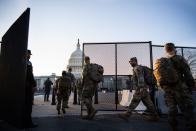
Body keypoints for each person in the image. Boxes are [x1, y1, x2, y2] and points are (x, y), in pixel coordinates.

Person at [162, 43, 195, 131]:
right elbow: (187, 73)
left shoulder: (163, 61)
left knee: (172, 108)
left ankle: (173, 125)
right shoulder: (179, 58)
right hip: (180, 88)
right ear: (174, 49)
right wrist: (191, 86)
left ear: (165, 50)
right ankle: (191, 125)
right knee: (186, 107)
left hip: (167, 89)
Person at [119, 57, 159, 121]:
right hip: (143, 89)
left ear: (135, 61)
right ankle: (155, 116)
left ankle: (126, 115)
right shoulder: (137, 68)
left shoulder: (137, 68)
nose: (130, 63)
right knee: (148, 103)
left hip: (140, 89)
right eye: (130, 62)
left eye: (131, 61)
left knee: (134, 101)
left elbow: (141, 78)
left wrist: (141, 87)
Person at [24, 50, 37, 128]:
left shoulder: (21, 62)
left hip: (23, 86)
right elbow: (30, 75)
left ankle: (24, 122)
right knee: (28, 106)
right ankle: (28, 123)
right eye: (29, 54)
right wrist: (34, 84)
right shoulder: (28, 63)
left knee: (24, 105)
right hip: (28, 87)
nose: (30, 56)